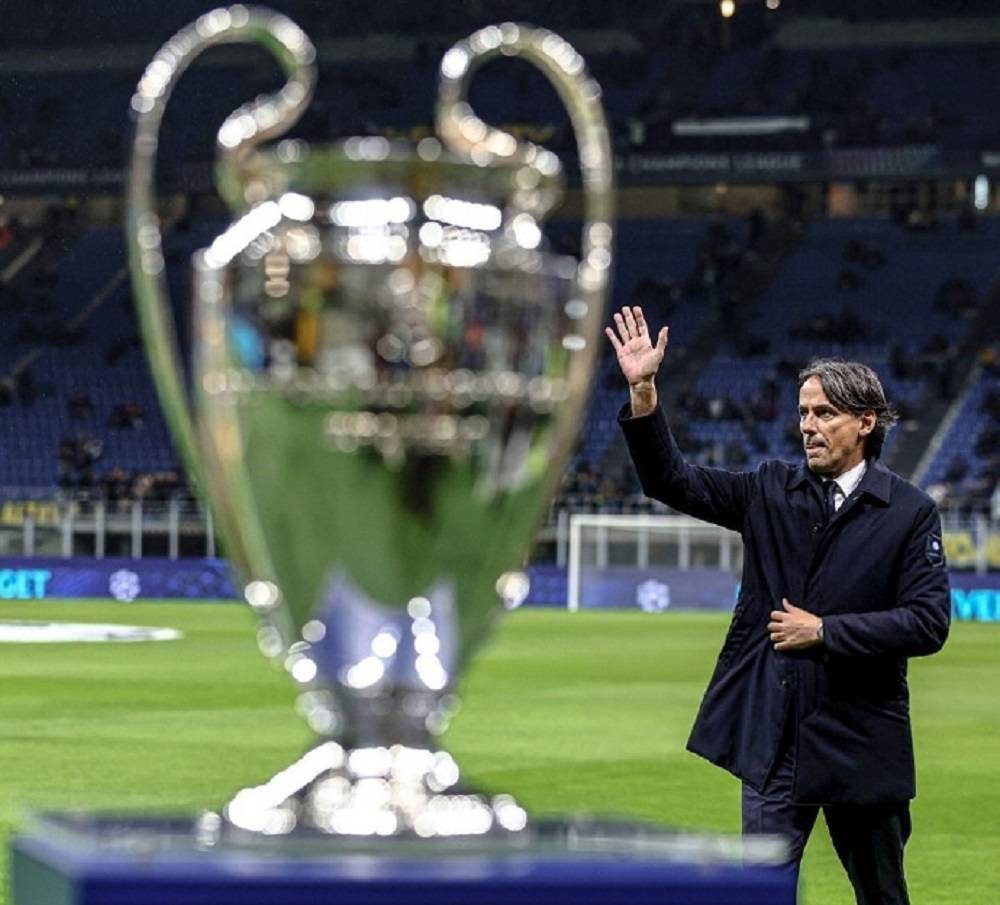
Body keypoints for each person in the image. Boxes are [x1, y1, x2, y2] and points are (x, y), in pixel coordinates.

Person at [605, 305, 950, 905]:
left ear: (866, 422)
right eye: (803, 413)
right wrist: (643, 393)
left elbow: (928, 622)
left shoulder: (909, 511)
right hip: (775, 741)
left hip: (860, 742)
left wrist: (827, 632)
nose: (808, 426)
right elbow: (670, 480)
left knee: (883, 896)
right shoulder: (768, 489)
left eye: (825, 413)